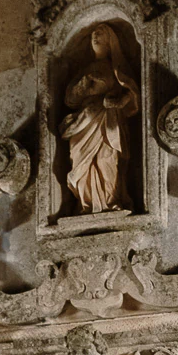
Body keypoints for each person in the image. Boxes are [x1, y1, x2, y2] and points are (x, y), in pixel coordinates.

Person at [62, 25, 140, 214]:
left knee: (106, 159)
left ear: (110, 41)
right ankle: (86, 204)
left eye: (101, 34)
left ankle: (110, 201)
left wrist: (119, 101)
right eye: (93, 35)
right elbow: (70, 100)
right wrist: (84, 83)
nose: (95, 37)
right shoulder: (85, 70)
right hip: (85, 121)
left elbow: (131, 93)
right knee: (80, 160)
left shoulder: (117, 68)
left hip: (107, 120)